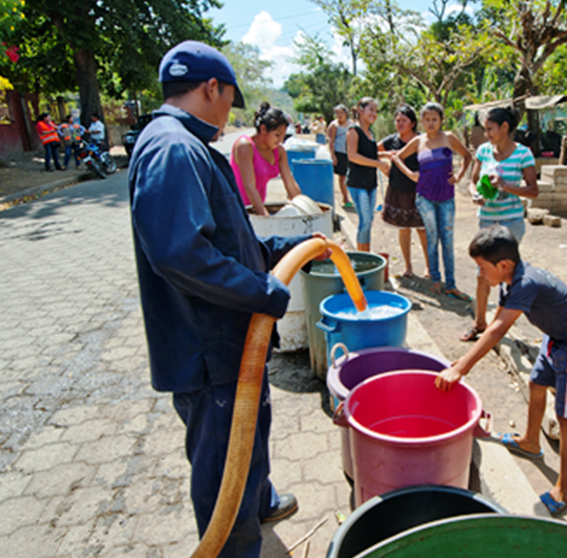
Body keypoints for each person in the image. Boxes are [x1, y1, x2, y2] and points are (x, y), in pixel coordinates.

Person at [128, 40, 311, 558]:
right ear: (212, 87)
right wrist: (264, 290)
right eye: (230, 97)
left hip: (229, 343)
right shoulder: (173, 148)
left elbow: (225, 239)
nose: (230, 110)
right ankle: (233, 544)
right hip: (207, 349)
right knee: (222, 462)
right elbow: (180, 252)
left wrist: (288, 248)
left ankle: (258, 502)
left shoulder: (185, 143)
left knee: (250, 436)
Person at [436, 225, 567, 516]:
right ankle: (530, 441)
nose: (481, 274)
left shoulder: (526, 283)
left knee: (566, 417)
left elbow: (499, 329)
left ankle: (566, 488)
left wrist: (462, 367)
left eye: (482, 268)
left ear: (503, 264)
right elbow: (497, 317)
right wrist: (474, 340)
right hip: (556, 338)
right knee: (536, 384)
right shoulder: (511, 280)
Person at [462, 107, 539, 341]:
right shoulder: (484, 151)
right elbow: (472, 183)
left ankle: (498, 327)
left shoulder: (523, 154)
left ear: (504, 127)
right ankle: (480, 324)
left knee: (507, 274)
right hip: (486, 220)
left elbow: (533, 191)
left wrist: (504, 185)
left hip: (511, 223)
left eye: (489, 129)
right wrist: (475, 194)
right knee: (482, 272)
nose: (486, 134)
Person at [391, 102, 472, 299]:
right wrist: (411, 174)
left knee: (448, 241)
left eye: (434, 119)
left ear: (441, 120)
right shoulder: (419, 141)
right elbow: (397, 157)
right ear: (422, 121)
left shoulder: (450, 138)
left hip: (447, 197)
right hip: (425, 197)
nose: (430, 123)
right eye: (426, 119)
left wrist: (459, 176)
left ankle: (451, 283)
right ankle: (436, 280)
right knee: (432, 238)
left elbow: (468, 156)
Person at [379, 104, 430, 278]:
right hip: (398, 189)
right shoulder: (391, 141)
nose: (399, 123)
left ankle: (429, 267)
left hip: (420, 191)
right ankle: (408, 267)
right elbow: (374, 151)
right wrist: (384, 164)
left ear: (413, 123)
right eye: (397, 120)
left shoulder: (423, 140)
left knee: (423, 229)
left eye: (404, 120)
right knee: (404, 229)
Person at [230, 102, 303, 216]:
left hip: (257, 209)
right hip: (237, 211)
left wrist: (303, 208)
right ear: (263, 129)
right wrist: (266, 217)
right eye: (277, 135)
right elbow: (250, 186)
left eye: (283, 136)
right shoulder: (245, 146)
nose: (281, 141)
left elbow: (290, 183)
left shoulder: (279, 151)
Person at [345, 97, 389, 253]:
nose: (374, 114)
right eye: (371, 110)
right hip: (357, 184)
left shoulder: (371, 133)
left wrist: (386, 155)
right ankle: (362, 257)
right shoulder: (353, 131)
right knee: (365, 221)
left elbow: (370, 155)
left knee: (369, 221)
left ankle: (366, 254)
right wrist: (379, 164)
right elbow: (353, 156)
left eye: (376, 111)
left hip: (371, 183)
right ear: (360, 110)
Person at [327, 105, 352, 209]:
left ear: (346, 113)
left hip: (349, 153)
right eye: (337, 113)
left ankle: (348, 197)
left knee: (350, 175)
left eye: (341, 113)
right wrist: (333, 155)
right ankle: (345, 198)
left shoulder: (351, 124)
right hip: (339, 152)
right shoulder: (334, 125)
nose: (339, 115)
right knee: (342, 176)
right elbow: (331, 141)